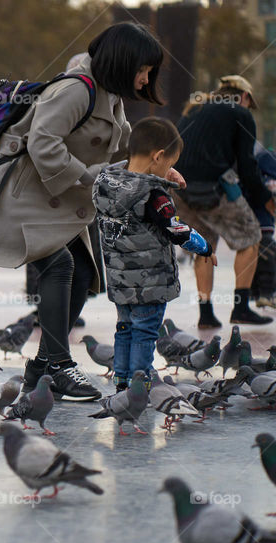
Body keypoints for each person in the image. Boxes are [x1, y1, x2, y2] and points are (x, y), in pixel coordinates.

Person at [0, 23, 170, 401]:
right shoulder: (76, 89)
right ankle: (59, 365)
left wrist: (157, 168)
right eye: (143, 69)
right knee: (60, 267)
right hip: (18, 199)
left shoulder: (108, 94)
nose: (145, 78)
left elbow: (112, 156)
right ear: (123, 61)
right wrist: (90, 178)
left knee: (86, 272)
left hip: (50, 201)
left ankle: (41, 366)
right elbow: (43, 143)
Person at [93, 118, 215, 391]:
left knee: (124, 329)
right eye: (170, 163)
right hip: (150, 283)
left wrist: (162, 173)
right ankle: (141, 381)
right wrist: (204, 246)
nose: (170, 169)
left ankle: (122, 380)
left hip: (119, 279)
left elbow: (127, 174)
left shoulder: (104, 182)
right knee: (145, 332)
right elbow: (176, 230)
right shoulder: (154, 195)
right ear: (158, 156)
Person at [173, 75, 275, 327]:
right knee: (251, 238)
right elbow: (248, 166)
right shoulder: (241, 114)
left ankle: (206, 316)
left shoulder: (195, 108)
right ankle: (240, 309)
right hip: (212, 189)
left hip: (181, 188)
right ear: (246, 97)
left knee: (205, 246)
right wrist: (266, 200)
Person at [252, 141, 276, 308]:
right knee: (267, 254)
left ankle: (257, 292)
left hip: (259, 219)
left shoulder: (263, 159)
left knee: (256, 257)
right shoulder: (267, 161)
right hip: (262, 220)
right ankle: (265, 294)